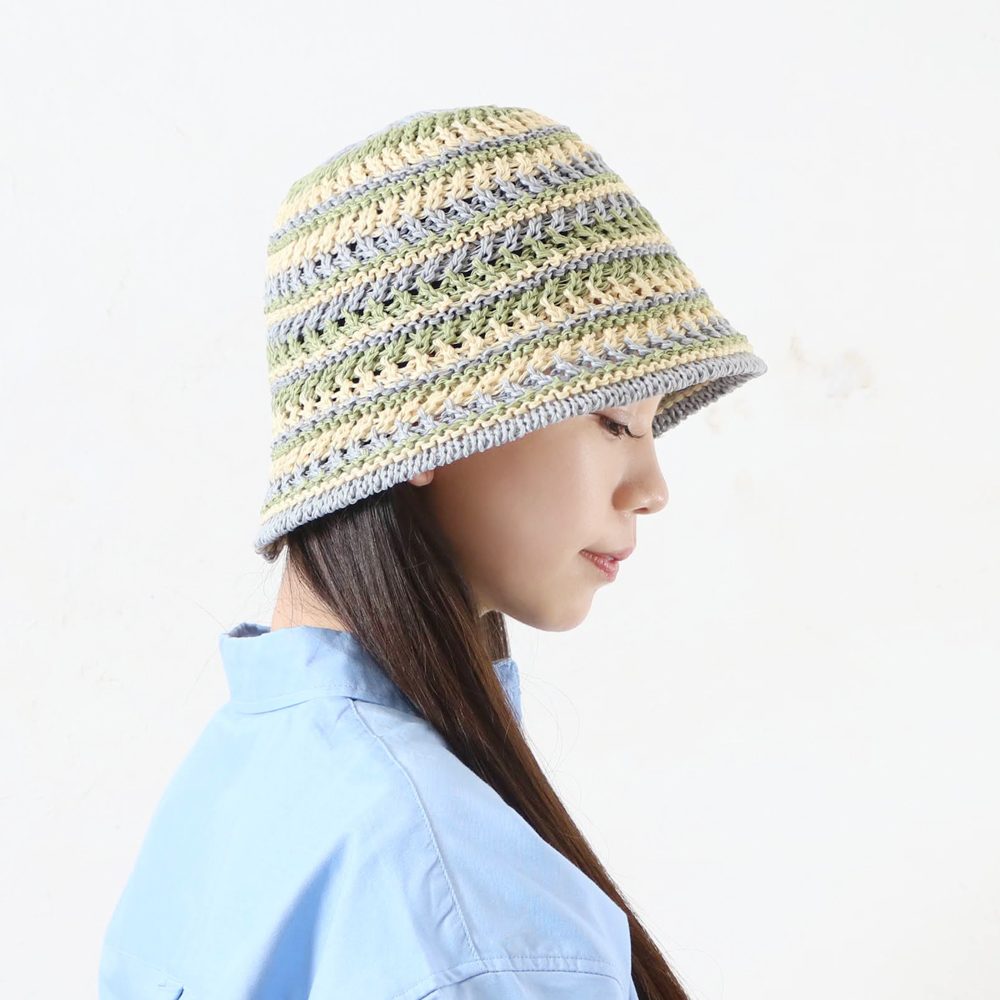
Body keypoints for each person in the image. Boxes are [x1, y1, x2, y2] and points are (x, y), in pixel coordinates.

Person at [98, 104, 767, 1000]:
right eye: (615, 422)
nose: (652, 486)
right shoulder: (466, 912)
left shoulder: (219, 798)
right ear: (429, 432)